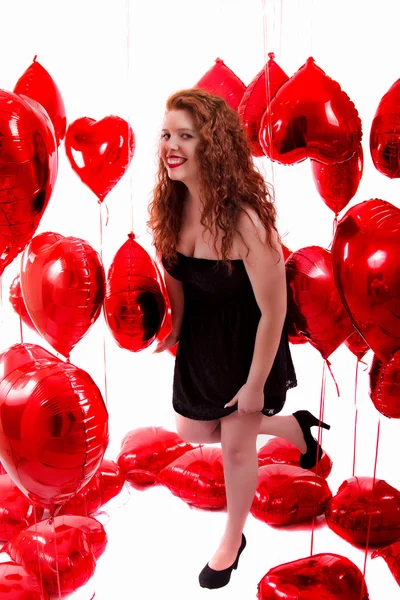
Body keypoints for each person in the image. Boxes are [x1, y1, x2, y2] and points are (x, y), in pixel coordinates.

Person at [147, 88, 330, 590]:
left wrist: (254, 385)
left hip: (251, 342)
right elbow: (177, 276)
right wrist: (177, 328)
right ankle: (294, 429)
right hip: (203, 340)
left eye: (186, 135)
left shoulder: (248, 221)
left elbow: (274, 310)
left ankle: (232, 542)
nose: (171, 145)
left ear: (214, 145)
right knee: (193, 431)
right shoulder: (171, 206)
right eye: (167, 134)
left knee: (234, 447)